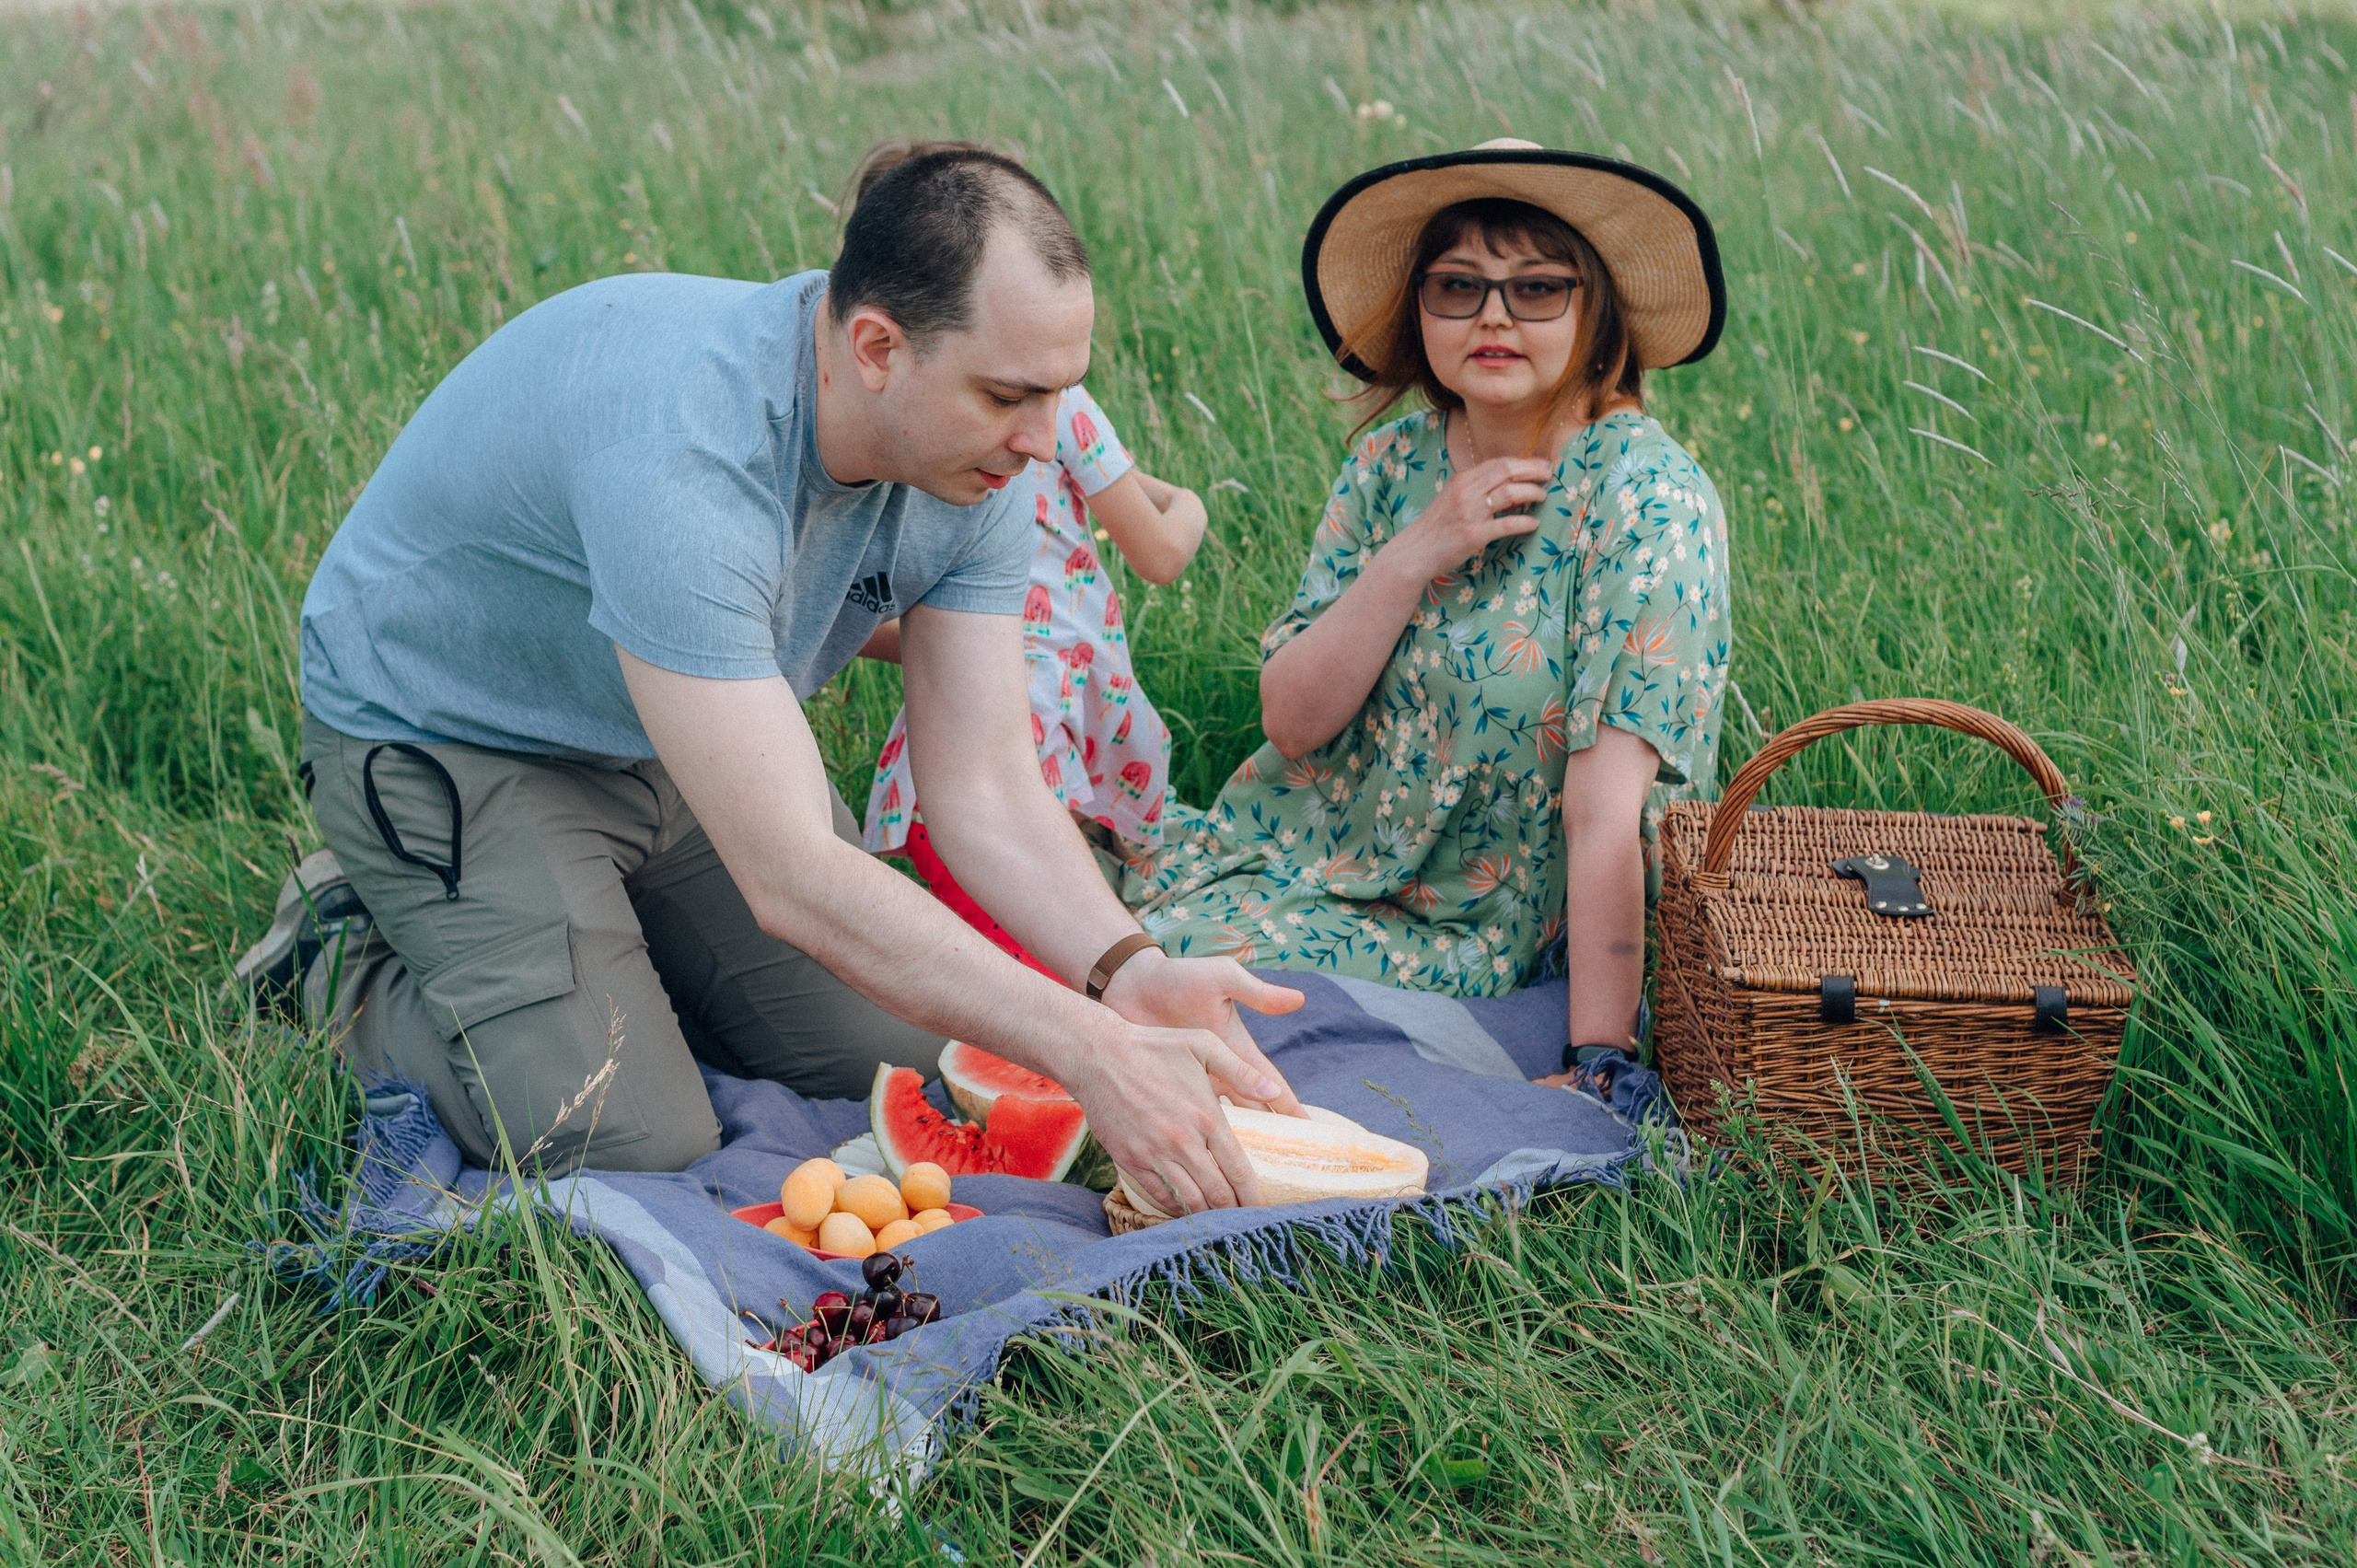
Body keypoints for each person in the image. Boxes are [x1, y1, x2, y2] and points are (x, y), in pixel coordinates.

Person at [243, 143, 1304, 1213]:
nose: (1046, 443)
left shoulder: (986, 460)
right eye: (1008, 395)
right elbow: (792, 874)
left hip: (674, 728)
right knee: (622, 1137)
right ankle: (339, 945)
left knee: (899, 1063)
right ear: (877, 347)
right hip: (451, 741)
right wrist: (1091, 1050)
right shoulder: (687, 456)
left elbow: (981, 779)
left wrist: (1125, 974)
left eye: (1061, 393)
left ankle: (594, 949)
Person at [1120, 139, 1731, 1080]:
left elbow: (1604, 813)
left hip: (1498, 927)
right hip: (1317, 860)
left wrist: (1596, 1055)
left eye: (1535, 288)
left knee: (1186, 1002)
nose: (1491, 315)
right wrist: (1416, 550)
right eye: (1457, 286)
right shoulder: (1389, 465)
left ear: (1595, 309)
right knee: (1117, 955)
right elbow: (1291, 720)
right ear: (1420, 307)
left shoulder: (1647, 499)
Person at [862, 377, 1205, 974]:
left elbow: (855, 625)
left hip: (929, 793)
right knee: (1065, 998)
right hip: (1019, 803)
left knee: (989, 992)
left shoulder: (914, 412)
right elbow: (1162, 555)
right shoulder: (1061, 403)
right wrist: (1189, 500)